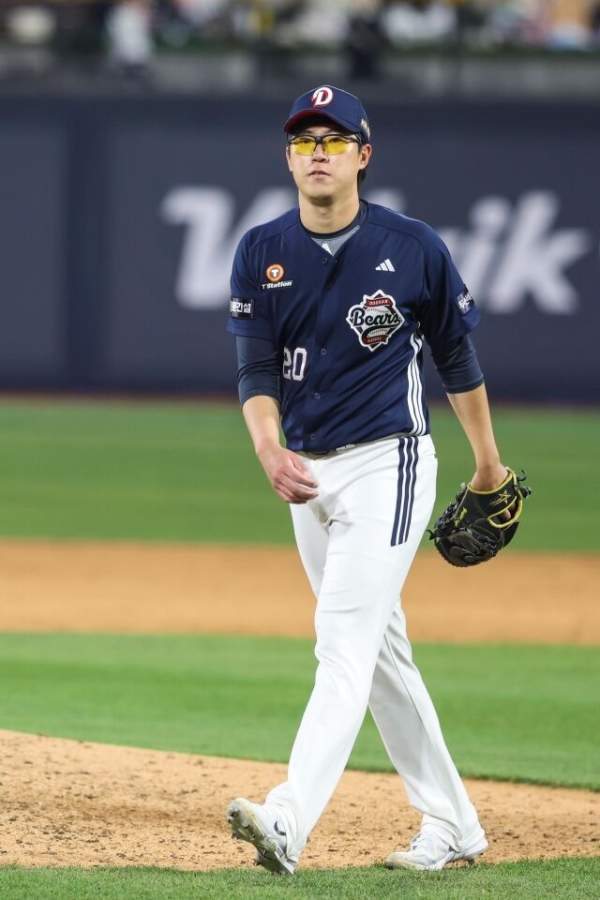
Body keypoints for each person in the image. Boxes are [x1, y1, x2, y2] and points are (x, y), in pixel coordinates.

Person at [225, 84, 506, 875]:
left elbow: (457, 360)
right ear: (289, 158)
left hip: (391, 461)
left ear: (363, 155)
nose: (318, 152)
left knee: (342, 642)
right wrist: (269, 450)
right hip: (306, 473)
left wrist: (488, 465)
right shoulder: (261, 249)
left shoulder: (412, 246)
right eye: (304, 140)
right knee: (380, 653)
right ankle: (454, 824)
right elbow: (255, 371)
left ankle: (288, 820)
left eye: (334, 140)